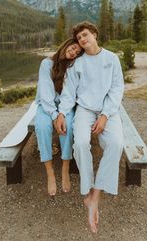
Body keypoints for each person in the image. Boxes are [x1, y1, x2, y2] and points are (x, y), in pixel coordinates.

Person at [55, 21, 124, 233]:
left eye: (85, 35)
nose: (82, 40)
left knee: (116, 144)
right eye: (79, 39)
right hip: (84, 109)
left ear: (94, 34)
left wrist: (104, 116)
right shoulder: (78, 64)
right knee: (81, 143)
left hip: (107, 110)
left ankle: (95, 196)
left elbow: (116, 89)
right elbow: (68, 93)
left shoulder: (112, 59)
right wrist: (61, 113)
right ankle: (87, 189)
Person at [34, 38, 83, 196]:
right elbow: (46, 95)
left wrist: (62, 113)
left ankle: (65, 167)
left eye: (77, 52)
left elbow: (70, 95)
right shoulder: (46, 64)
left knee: (68, 125)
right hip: (46, 105)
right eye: (74, 47)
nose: (74, 52)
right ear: (67, 44)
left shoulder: (72, 66)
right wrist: (55, 116)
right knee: (42, 127)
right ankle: (49, 172)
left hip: (65, 106)